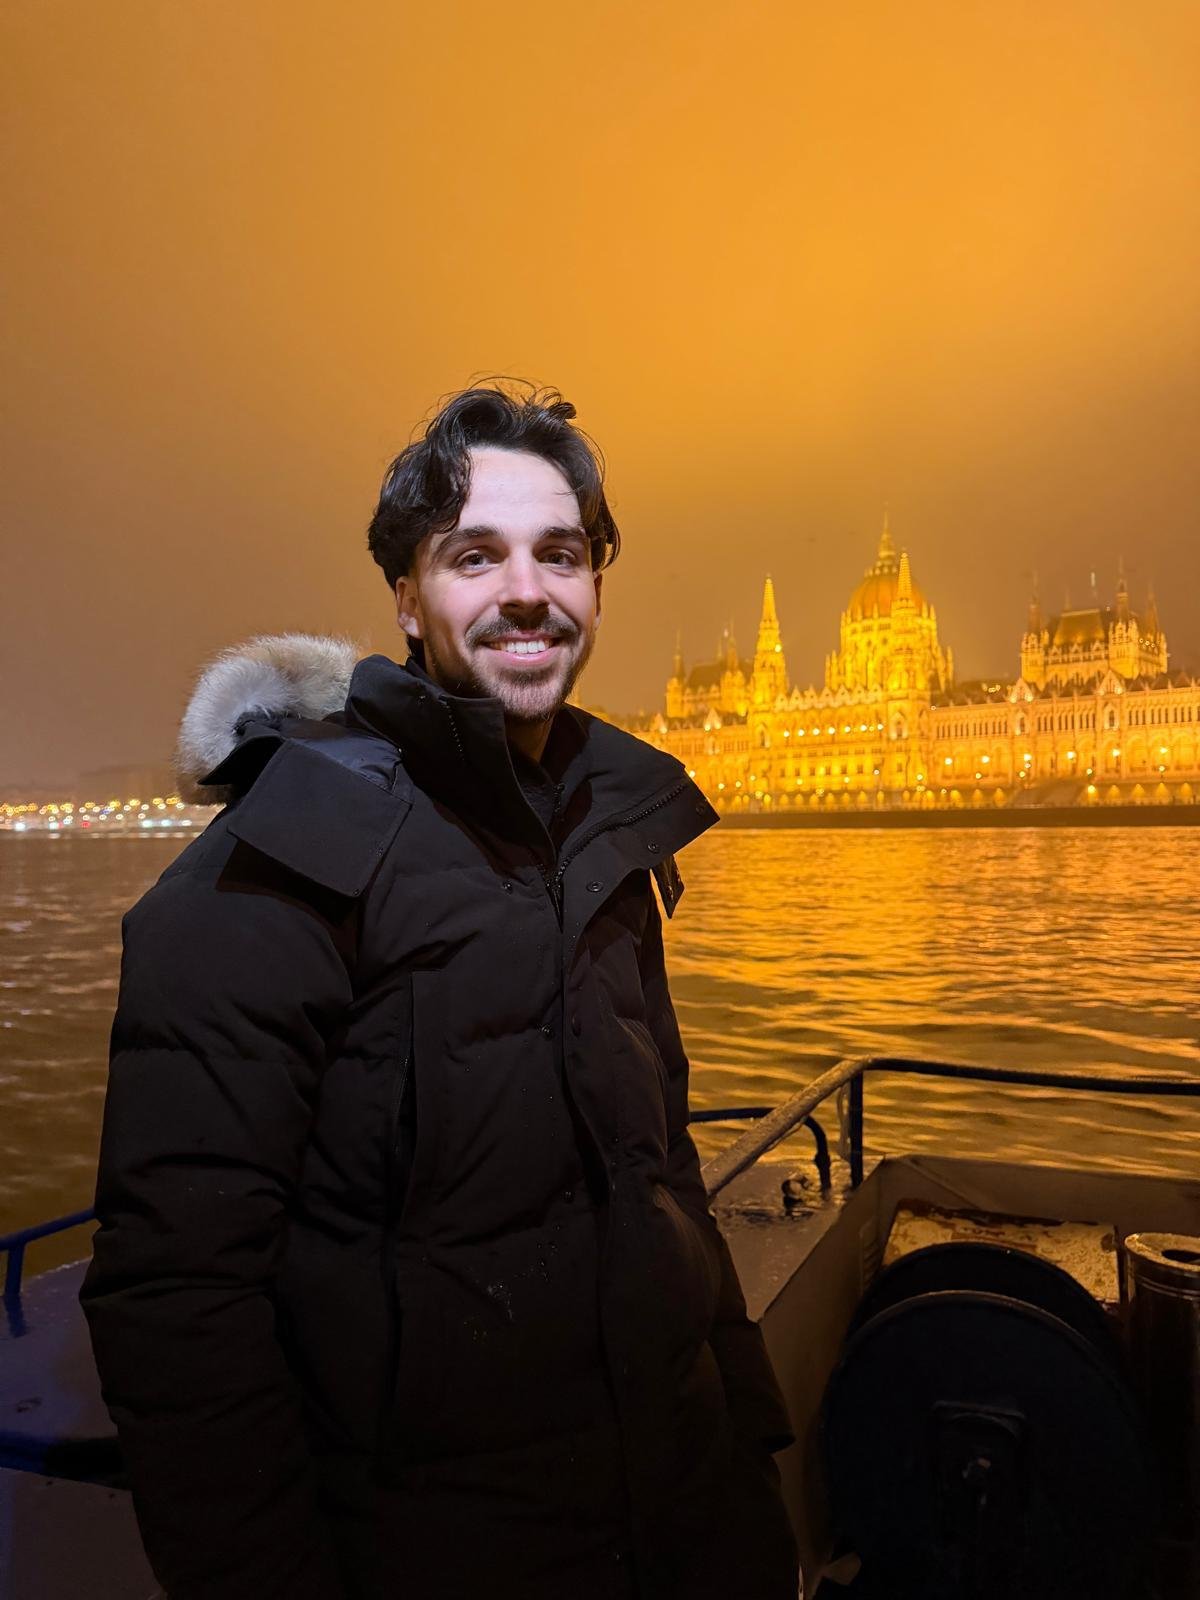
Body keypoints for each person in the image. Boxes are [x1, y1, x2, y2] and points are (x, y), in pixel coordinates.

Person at [81, 383, 799, 1600]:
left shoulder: (612, 844)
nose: (528, 590)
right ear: (407, 600)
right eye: (476, 554)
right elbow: (178, 1299)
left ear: (596, 586)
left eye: (561, 553)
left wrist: (747, 1472)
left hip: (677, 1529)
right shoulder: (282, 859)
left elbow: (662, 1174)